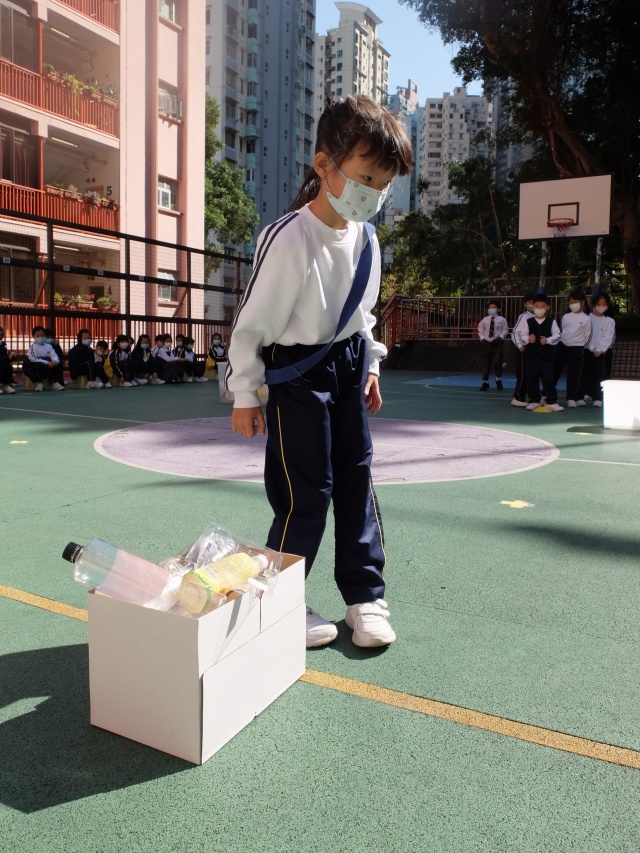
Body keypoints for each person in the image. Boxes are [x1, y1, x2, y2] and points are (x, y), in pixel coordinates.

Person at [227, 95, 412, 649]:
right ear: (324, 165)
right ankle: (283, 599)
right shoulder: (290, 236)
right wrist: (245, 392)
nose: (373, 193)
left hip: (348, 365)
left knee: (357, 480)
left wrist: (370, 365)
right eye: (365, 177)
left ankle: (365, 596)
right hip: (297, 373)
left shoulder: (367, 238)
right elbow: (252, 322)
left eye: (384, 184)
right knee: (304, 491)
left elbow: (363, 315)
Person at [519, 293, 563, 411]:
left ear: (547, 308)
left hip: (546, 357)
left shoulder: (551, 321)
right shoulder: (528, 321)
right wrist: (528, 339)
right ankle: (534, 400)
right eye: (537, 306)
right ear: (533, 307)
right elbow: (522, 335)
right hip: (531, 356)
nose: (539, 309)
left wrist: (548, 340)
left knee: (548, 379)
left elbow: (558, 336)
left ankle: (551, 401)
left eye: (542, 306)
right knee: (532, 378)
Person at [554, 290, 591, 408]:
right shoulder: (566, 317)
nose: (573, 304)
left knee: (574, 373)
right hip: (563, 346)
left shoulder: (586, 319)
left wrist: (580, 346)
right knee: (555, 370)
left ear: (582, 303)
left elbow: (587, 335)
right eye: (571, 302)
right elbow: (563, 329)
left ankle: (571, 397)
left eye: (575, 302)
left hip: (577, 348)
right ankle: (547, 394)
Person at [582, 292, 616, 408]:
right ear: (594, 305)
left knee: (599, 375)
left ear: (608, 306)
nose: (601, 306)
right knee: (585, 373)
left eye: (604, 304)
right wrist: (590, 347)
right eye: (599, 304)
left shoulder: (609, 321)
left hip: (600, 352)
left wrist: (600, 349)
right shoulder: (587, 318)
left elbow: (608, 336)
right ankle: (585, 393)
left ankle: (597, 398)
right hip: (587, 349)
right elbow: (585, 334)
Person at [510, 293, 535, 407]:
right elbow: (515, 333)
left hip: (534, 350)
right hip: (524, 349)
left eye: (533, 302)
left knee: (532, 374)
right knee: (523, 374)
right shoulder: (524, 316)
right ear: (525, 304)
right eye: (529, 302)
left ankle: (532, 396)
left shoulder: (540, 317)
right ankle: (518, 397)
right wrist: (519, 345)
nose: (532, 305)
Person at [477, 300, 508, 391]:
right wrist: (482, 339)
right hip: (486, 342)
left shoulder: (502, 320)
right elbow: (480, 330)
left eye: (494, 307)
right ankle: (485, 382)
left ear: (498, 309)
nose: (491, 309)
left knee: (497, 361)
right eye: (490, 308)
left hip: (497, 342)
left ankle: (498, 380)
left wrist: (500, 338)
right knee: (486, 361)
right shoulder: (485, 320)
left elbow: (505, 330)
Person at [23, 326, 63, 391]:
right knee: (39, 365)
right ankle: (39, 383)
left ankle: (55, 383)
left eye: (42, 335)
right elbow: (33, 358)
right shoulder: (33, 347)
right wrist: (47, 363)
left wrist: (55, 361)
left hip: (49, 363)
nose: (40, 337)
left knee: (59, 363)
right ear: (34, 337)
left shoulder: (49, 346)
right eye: (37, 336)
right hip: (38, 364)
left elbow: (53, 354)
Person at [0, 326, 17, 394]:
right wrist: (7, 358)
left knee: (8, 367)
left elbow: (6, 354)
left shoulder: (3, 345)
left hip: (3, 363)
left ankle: (5, 385)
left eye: (1, 335)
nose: (0, 337)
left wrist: (12, 355)